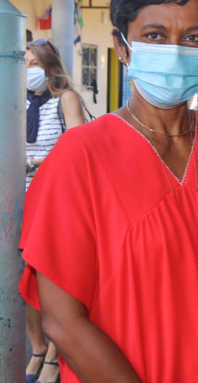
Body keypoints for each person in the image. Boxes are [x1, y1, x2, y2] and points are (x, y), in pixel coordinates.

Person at [18, 0, 198, 383]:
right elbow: (62, 320)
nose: (175, 51)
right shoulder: (80, 156)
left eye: (193, 37)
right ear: (123, 47)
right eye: (155, 35)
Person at [23, 38, 85, 383]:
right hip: (21, 204)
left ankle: (53, 355)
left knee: (53, 283)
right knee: (25, 285)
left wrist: (34, 163)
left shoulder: (65, 100)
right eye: (24, 63)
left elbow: (76, 151)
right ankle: (36, 348)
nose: (27, 71)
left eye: (33, 63)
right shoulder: (18, 102)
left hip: (55, 204)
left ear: (49, 67)